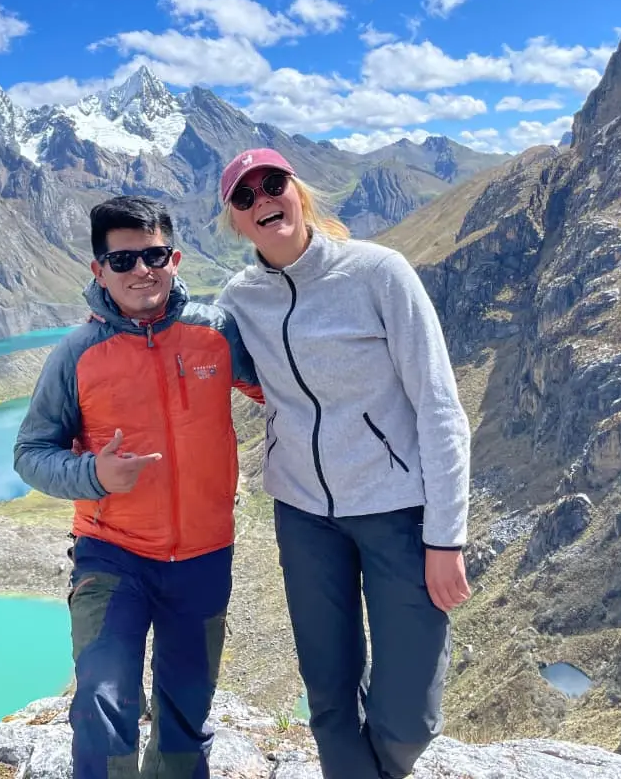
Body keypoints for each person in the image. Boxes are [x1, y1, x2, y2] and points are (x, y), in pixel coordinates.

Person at [213, 148, 472, 779]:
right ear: (236, 222)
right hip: (303, 516)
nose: (262, 199)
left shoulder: (378, 273)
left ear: (298, 191)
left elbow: (439, 406)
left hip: (396, 511)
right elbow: (184, 345)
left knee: (409, 717)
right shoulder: (240, 300)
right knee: (329, 697)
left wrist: (446, 538)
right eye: (245, 196)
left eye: (272, 183)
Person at [14, 194, 263, 779]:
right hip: (111, 556)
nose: (141, 271)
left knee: (187, 711)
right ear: (99, 270)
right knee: (103, 703)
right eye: (122, 260)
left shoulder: (215, 333)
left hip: (204, 557)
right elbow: (30, 453)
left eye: (153, 255)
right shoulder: (77, 354)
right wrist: (94, 475)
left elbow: (280, 389)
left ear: (174, 258)